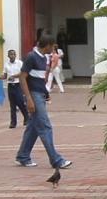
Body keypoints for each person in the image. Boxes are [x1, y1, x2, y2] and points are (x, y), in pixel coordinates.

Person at [14, 34, 72, 169]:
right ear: (48, 45)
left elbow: (39, 79)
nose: (53, 49)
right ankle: (56, 160)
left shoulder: (43, 58)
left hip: (40, 94)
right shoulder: (31, 57)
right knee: (45, 126)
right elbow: (23, 78)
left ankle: (23, 155)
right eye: (53, 46)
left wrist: (46, 94)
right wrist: (28, 99)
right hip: (33, 95)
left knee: (34, 128)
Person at [1, 49, 27, 128]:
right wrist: (0, 77)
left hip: (18, 85)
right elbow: (5, 76)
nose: (12, 56)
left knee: (20, 102)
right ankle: (13, 122)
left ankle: (27, 117)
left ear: (15, 55)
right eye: (10, 54)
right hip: (10, 86)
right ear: (8, 56)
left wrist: (13, 76)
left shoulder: (19, 63)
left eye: (13, 54)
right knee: (12, 105)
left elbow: (22, 73)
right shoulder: (6, 64)